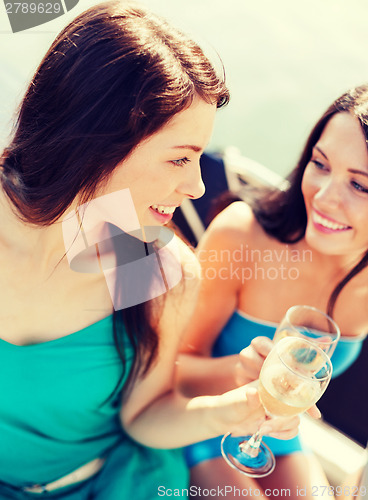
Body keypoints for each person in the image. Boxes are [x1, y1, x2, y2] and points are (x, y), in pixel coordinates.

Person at [0, 2, 304, 498]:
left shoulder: (143, 265)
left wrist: (236, 408)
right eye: (179, 158)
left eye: (198, 158)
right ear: (99, 144)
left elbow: (143, 417)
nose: (197, 186)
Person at [177, 84, 368, 499]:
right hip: (200, 424)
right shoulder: (242, 235)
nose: (324, 196)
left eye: (360, 186)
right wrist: (238, 372)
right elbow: (170, 372)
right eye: (320, 163)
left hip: (280, 436)